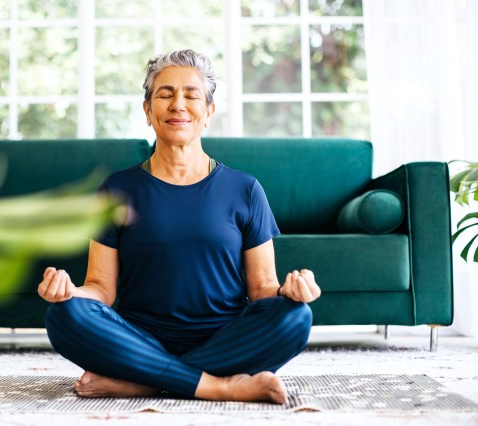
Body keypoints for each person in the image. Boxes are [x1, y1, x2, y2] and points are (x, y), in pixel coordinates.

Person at [38, 49, 321, 405]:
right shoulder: (117, 189)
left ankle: (146, 381)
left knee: (296, 316)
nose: (178, 105)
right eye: (165, 94)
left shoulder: (245, 189)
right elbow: (101, 289)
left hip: (225, 339)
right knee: (64, 315)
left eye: (191, 95)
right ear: (147, 111)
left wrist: (290, 292)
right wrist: (68, 293)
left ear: (209, 112)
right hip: (138, 339)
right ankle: (218, 386)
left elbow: (263, 288)